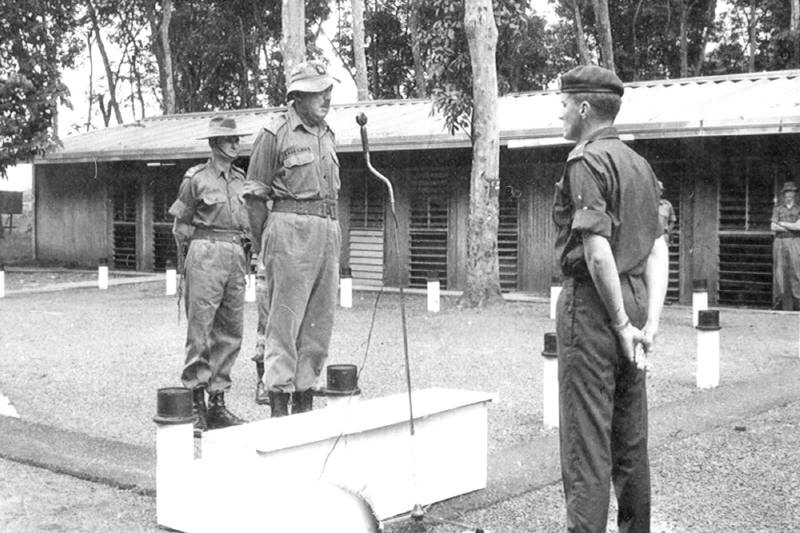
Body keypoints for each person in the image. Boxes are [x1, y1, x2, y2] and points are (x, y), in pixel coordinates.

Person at [551, 65, 669, 533]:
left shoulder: (585, 161)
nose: (559, 114)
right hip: (638, 300)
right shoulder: (641, 166)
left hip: (597, 308)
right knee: (630, 444)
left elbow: (597, 252)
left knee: (587, 447)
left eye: (563, 105)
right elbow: (658, 248)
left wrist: (619, 323)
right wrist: (649, 323)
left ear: (583, 108)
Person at [244, 60, 341, 417]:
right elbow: (255, 198)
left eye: (329, 90)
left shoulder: (327, 134)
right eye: (319, 91)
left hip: (326, 230)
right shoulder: (275, 133)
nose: (327, 97)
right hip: (289, 232)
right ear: (297, 96)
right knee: (284, 325)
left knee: (318, 326)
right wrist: (266, 247)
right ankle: (279, 410)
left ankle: (304, 407)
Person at [169, 115, 251, 436]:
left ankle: (217, 402)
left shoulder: (241, 179)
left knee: (231, 330)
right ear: (215, 144)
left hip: (235, 253)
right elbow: (181, 227)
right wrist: (194, 259)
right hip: (205, 252)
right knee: (200, 329)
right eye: (230, 140)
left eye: (237, 139)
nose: (236, 144)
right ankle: (195, 402)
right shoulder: (195, 179)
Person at [771, 181, 800, 310]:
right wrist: (791, 226)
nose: (789, 194)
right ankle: (779, 300)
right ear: (783, 194)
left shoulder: (799, 209)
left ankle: (798, 301)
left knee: (796, 270)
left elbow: (799, 227)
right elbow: (773, 226)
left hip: (794, 241)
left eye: (791, 192)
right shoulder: (777, 208)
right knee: (779, 271)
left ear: (795, 194)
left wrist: (781, 224)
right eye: (787, 192)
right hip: (780, 241)